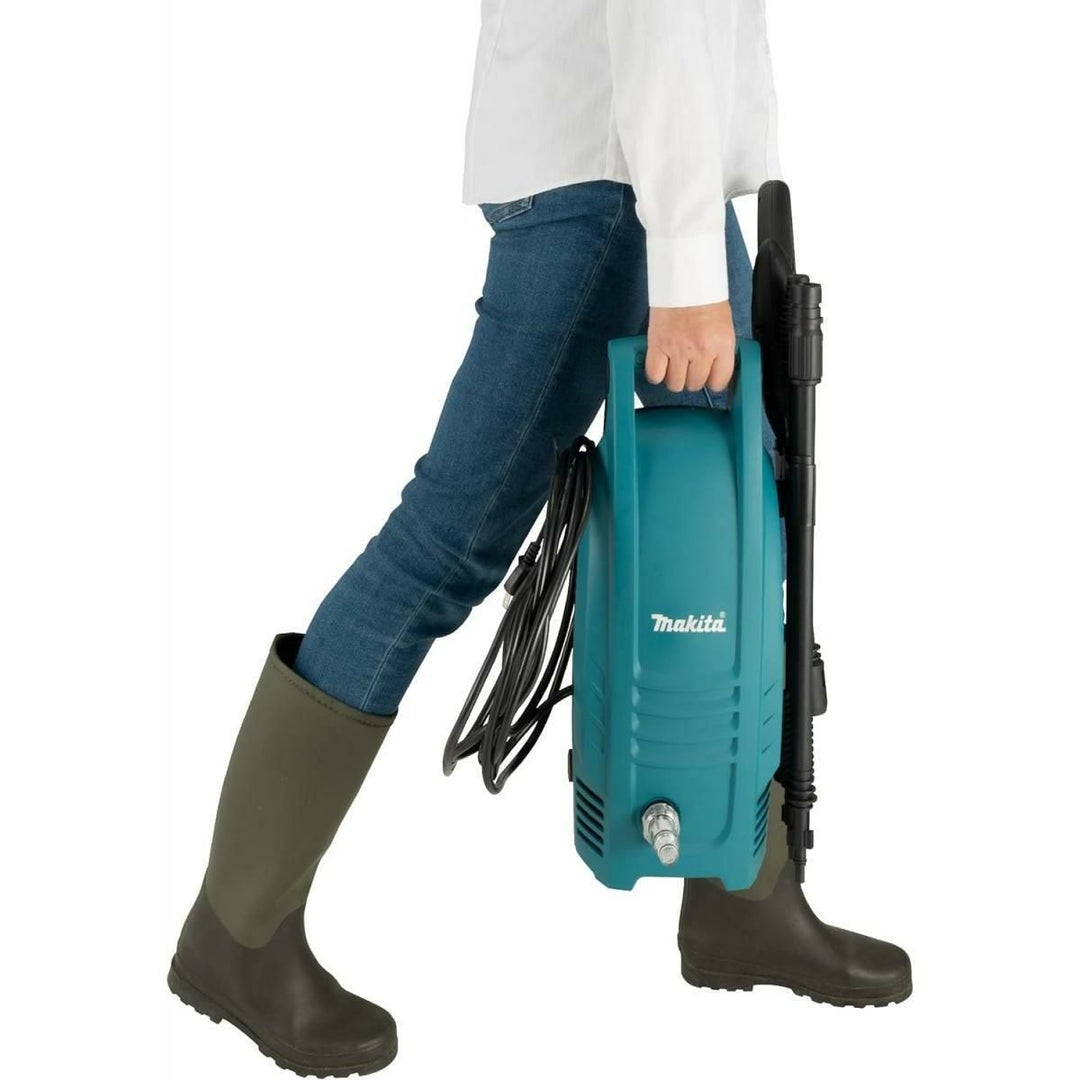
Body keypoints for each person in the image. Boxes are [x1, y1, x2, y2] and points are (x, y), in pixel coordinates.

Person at [168, 4, 911, 1076]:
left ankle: (744, 891)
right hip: (614, 180)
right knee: (446, 544)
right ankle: (235, 933)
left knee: (749, 515)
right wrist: (685, 258)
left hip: (641, 166)